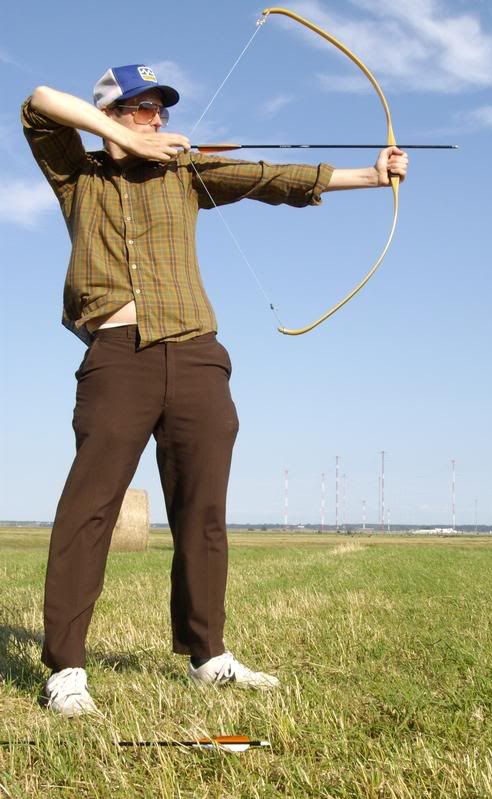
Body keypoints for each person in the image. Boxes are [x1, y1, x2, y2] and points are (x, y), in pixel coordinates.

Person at [21, 64, 409, 717]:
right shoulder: (77, 174)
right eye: (142, 109)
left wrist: (372, 175)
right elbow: (40, 102)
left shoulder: (186, 173)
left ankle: (209, 655)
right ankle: (66, 670)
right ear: (111, 113)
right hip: (119, 358)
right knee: (88, 509)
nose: (158, 121)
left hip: (199, 357)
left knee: (202, 513)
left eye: (161, 112)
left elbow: (275, 177)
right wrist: (129, 144)